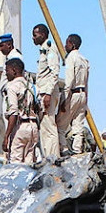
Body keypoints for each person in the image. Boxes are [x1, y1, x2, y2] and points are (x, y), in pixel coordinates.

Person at [32, 23, 63, 159]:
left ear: (43, 35)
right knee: (44, 127)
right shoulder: (43, 50)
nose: (33, 38)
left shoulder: (50, 50)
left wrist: (48, 93)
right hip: (43, 91)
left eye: (35, 35)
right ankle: (48, 157)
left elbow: (55, 72)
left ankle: (52, 158)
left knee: (49, 127)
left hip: (47, 92)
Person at [2, 58, 38, 163]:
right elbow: (39, 108)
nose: (6, 74)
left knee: (15, 164)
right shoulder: (33, 87)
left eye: (7, 71)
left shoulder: (12, 87)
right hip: (33, 127)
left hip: (20, 127)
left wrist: (6, 136)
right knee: (29, 164)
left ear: (14, 71)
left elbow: (14, 113)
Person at [61, 33, 91, 154]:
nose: (65, 45)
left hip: (73, 93)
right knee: (78, 125)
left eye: (67, 43)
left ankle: (64, 150)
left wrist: (65, 98)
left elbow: (69, 80)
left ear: (72, 45)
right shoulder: (84, 60)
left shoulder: (71, 58)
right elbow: (87, 81)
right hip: (82, 93)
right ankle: (77, 151)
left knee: (60, 126)